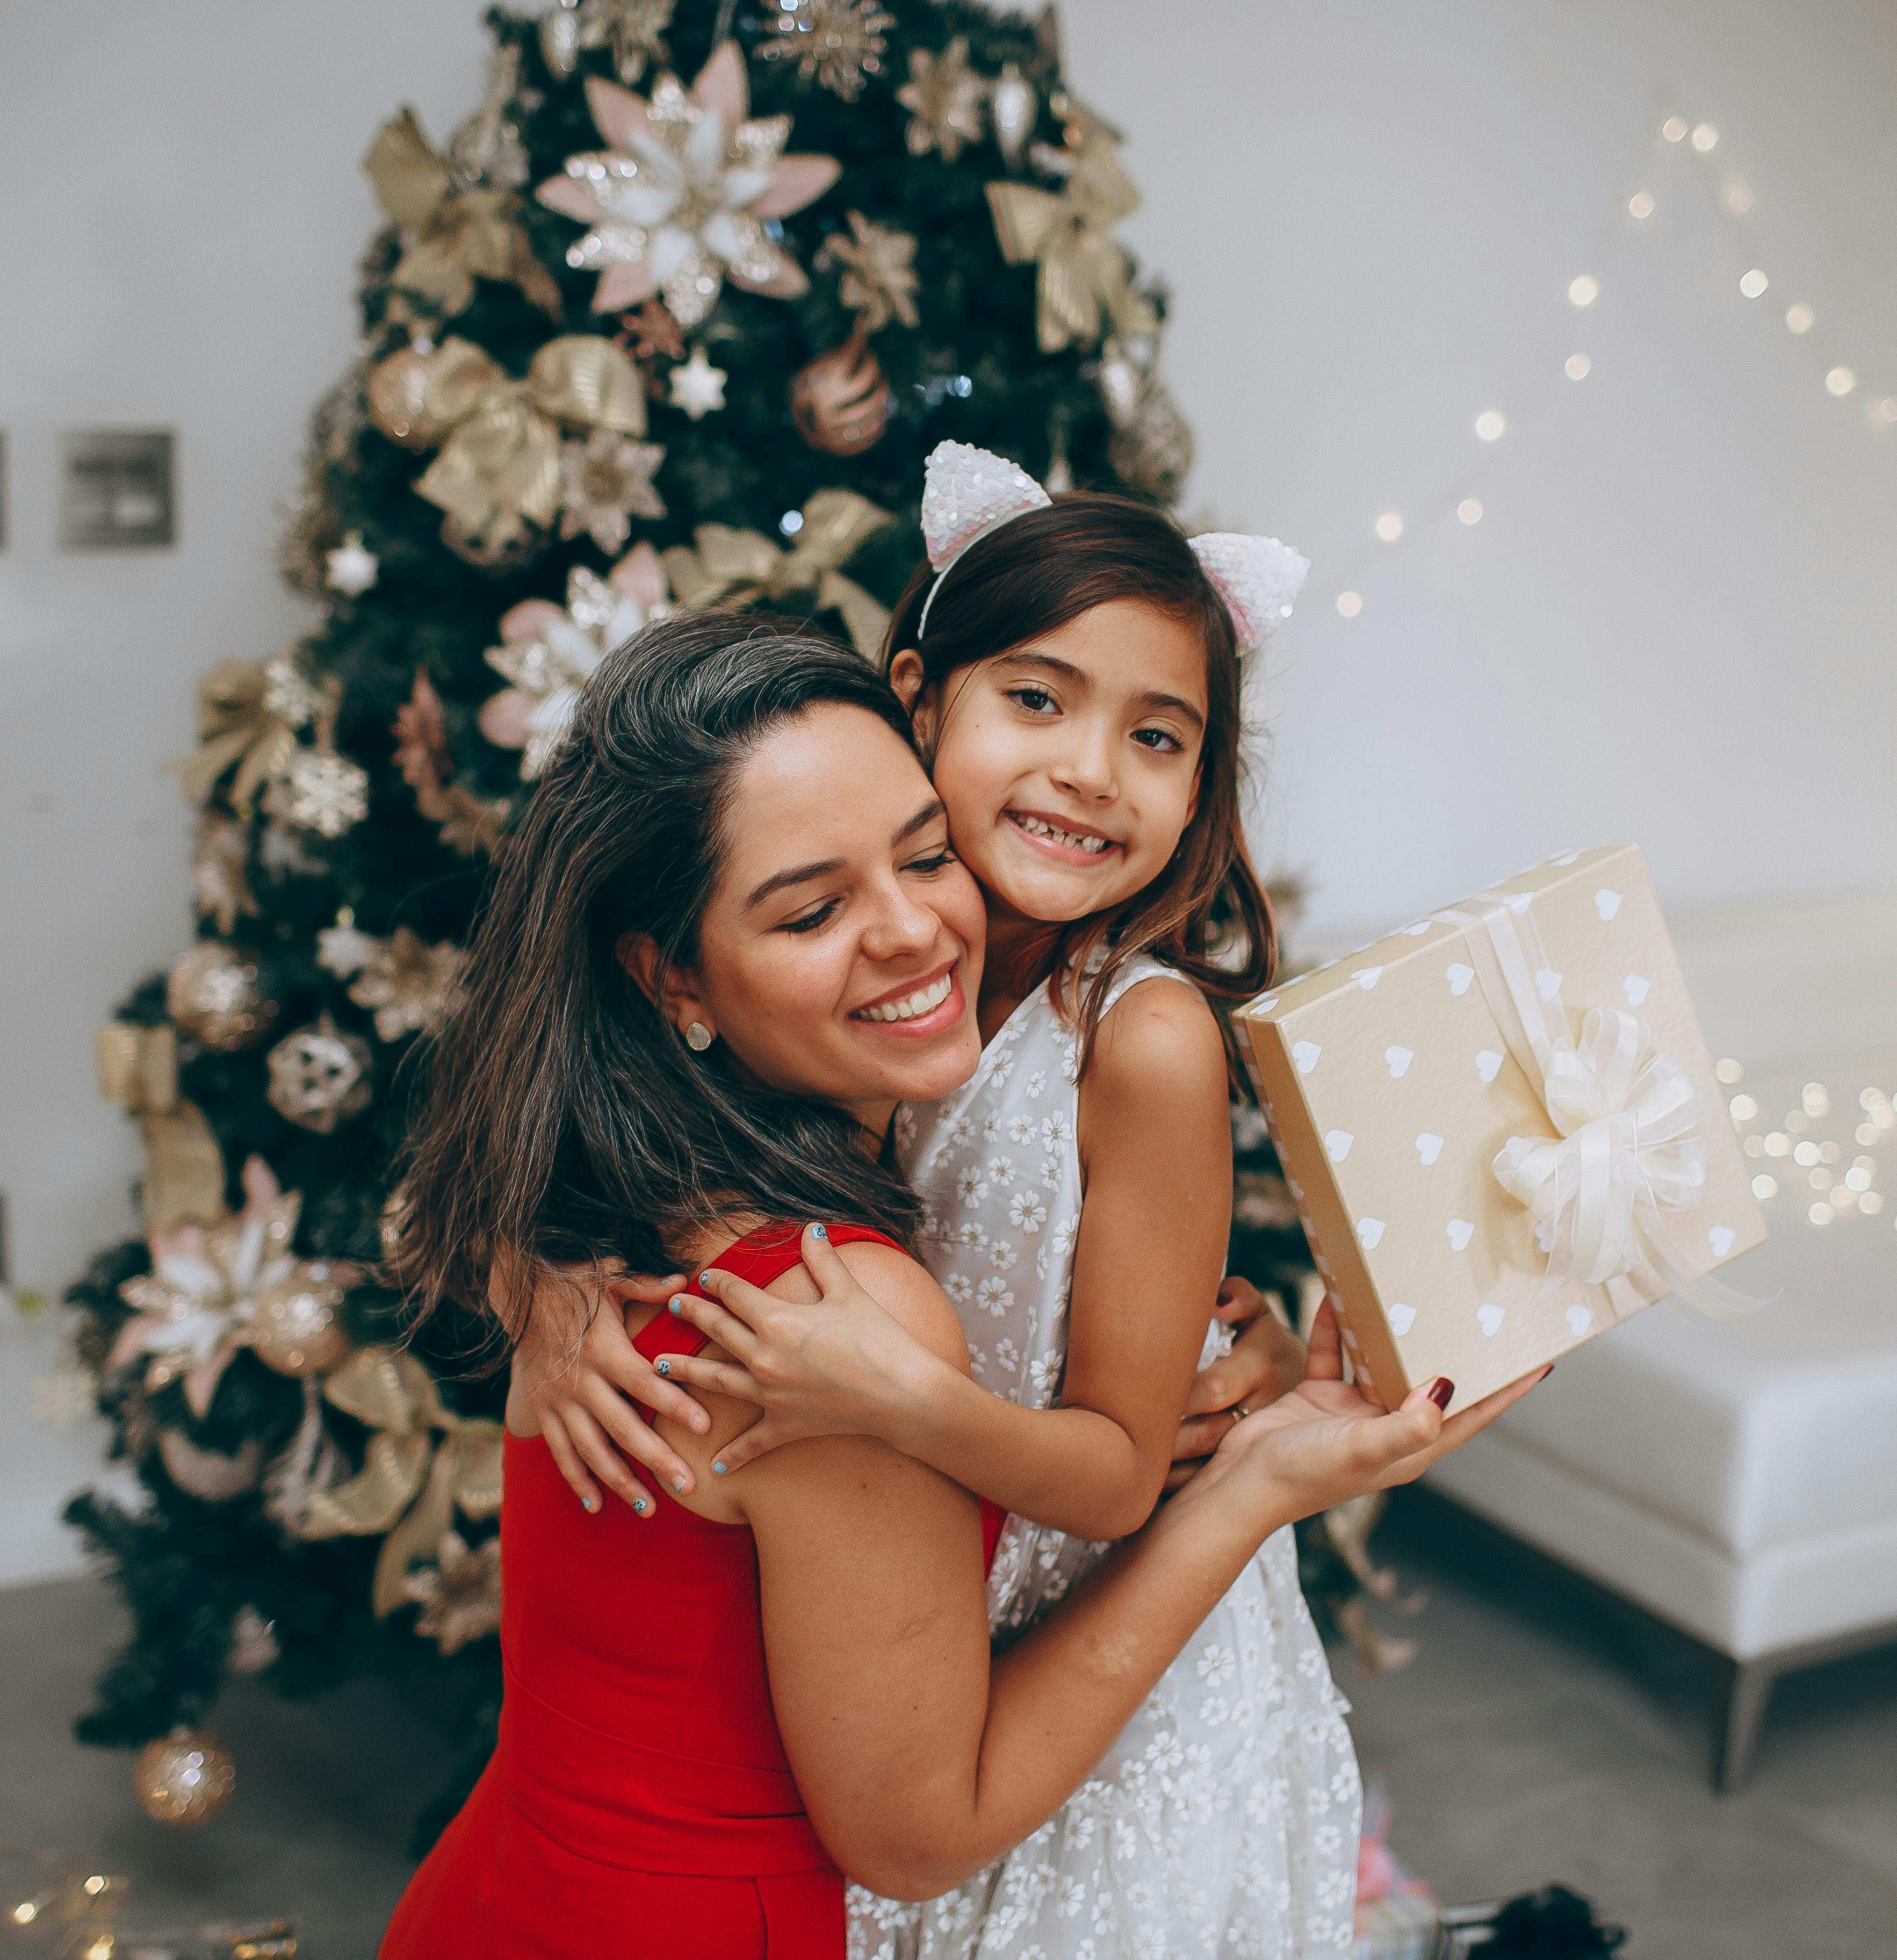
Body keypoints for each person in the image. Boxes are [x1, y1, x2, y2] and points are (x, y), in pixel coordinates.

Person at [380, 617, 1540, 1958]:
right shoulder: (831, 1323)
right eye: (811, 910)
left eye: (929, 854)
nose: (916, 932)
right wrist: (1260, 1483)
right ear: (671, 976)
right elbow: (920, 1837)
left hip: (497, 1897)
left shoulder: (601, 1196)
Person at [533, 446, 1371, 1955]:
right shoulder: (906, 970)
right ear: (919, 701)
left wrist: (900, 1403)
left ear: (1203, 789)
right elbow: (567, 1120)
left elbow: (1120, 1473)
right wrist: (541, 1286)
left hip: (1108, 1626)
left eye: (1160, 737)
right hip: (937, 1617)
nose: (1088, 771)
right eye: (1036, 700)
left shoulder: (1146, 1033)